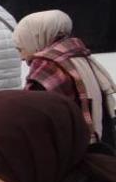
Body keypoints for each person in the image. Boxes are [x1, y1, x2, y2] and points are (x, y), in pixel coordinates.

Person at [13, 9, 116, 146]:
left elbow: (33, 115)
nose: (21, 57)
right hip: (101, 139)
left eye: (21, 49)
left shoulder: (47, 66)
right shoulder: (80, 55)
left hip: (73, 146)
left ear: (36, 39)